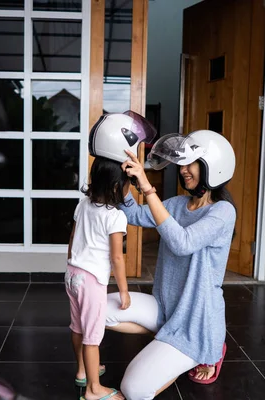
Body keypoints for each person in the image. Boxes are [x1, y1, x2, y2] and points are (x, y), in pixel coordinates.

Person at [104, 130, 237, 400]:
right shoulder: (177, 204)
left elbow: (183, 243)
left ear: (214, 167)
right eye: (182, 164)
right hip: (165, 308)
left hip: (194, 321)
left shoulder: (222, 212)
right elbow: (133, 213)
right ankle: (168, 343)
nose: (184, 171)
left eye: (192, 164)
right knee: (96, 309)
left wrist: (148, 188)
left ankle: (205, 348)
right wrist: (129, 181)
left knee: (133, 389)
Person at [66, 111, 158, 400]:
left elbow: (72, 240)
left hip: (72, 274)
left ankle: (82, 372)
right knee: (94, 336)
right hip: (92, 280)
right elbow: (117, 259)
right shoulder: (116, 217)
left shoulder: (83, 204)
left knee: (77, 326)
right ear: (120, 186)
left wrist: (72, 265)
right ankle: (94, 390)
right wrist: (124, 291)